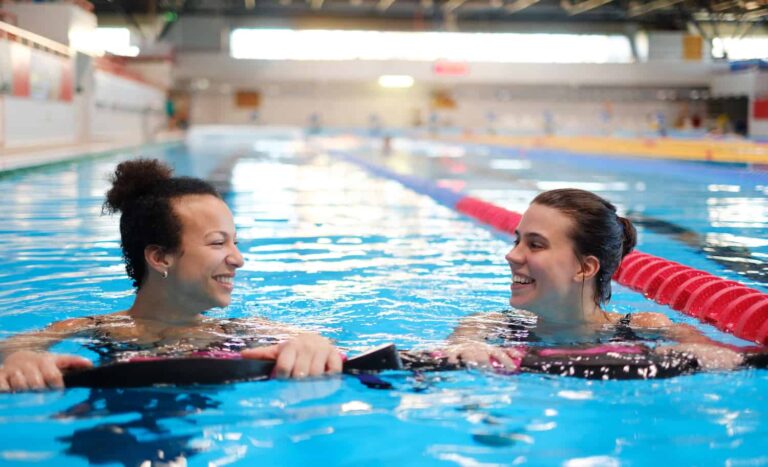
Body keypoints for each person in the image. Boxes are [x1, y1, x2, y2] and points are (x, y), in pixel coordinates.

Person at [0, 159, 342, 392]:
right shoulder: (92, 327)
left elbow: (325, 345)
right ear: (160, 257)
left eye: (235, 242)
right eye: (218, 243)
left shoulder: (246, 330)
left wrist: (315, 346)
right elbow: (10, 351)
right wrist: (21, 361)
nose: (238, 259)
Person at [445, 188, 744, 371]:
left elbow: (708, 351)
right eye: (517, 241)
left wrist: (699, 351)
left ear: (585, 268)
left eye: (535, 245)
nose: (511, 256)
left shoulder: (645, 327)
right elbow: (462, 342)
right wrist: (466, 349)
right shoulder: (488, 325)